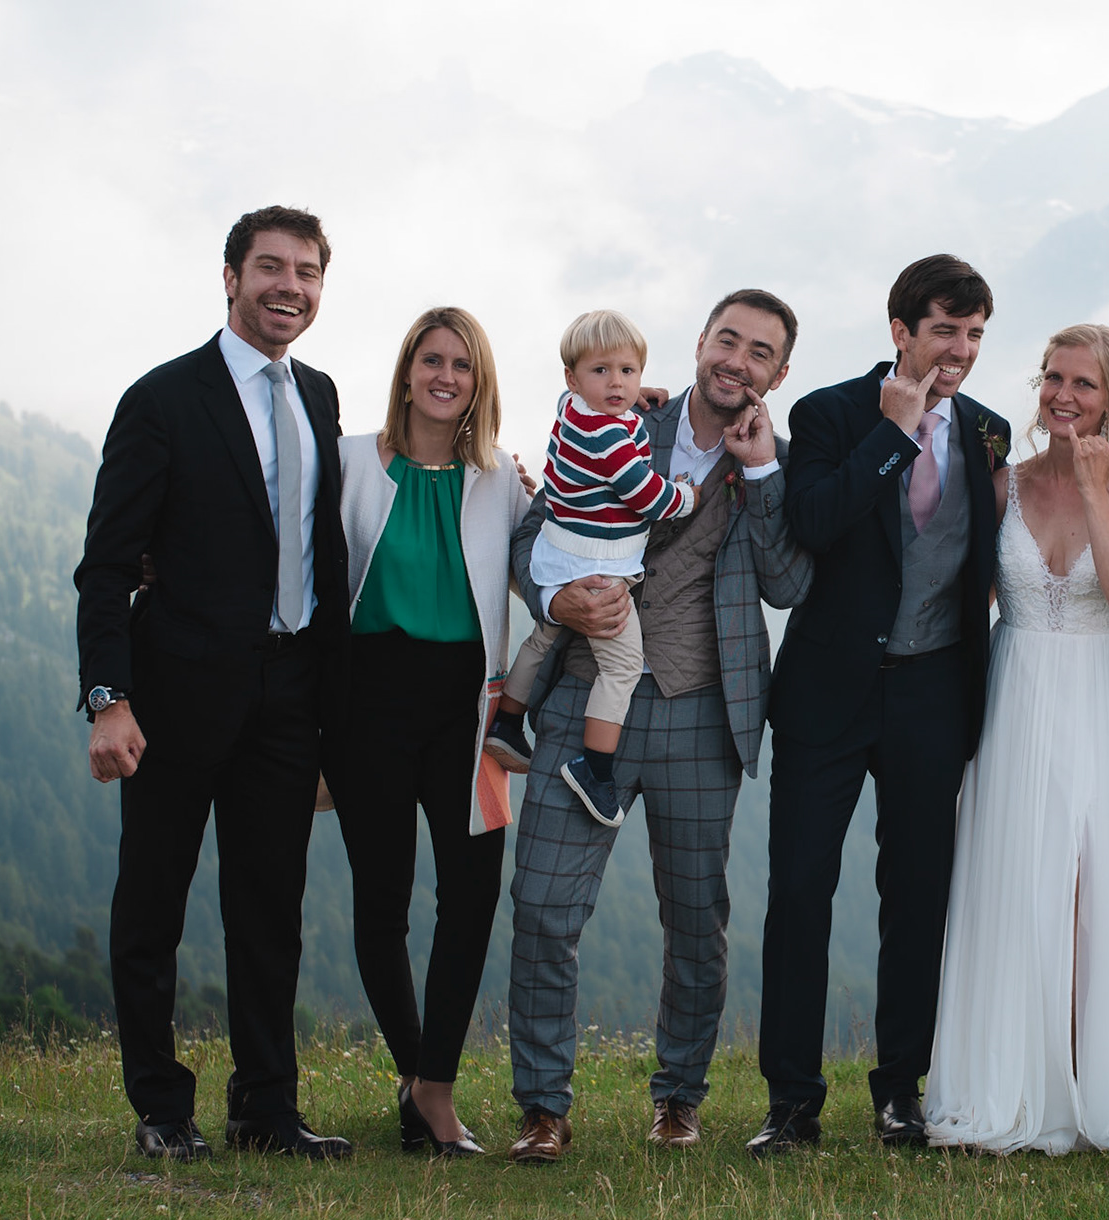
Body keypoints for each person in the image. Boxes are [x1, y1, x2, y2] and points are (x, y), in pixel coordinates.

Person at [505, 290, 811, 1162]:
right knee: (542, 904)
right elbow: (533, 536)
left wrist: (761, 473)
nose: (737, 360)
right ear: (702, 342)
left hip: (702, 713)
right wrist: (555, 597)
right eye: (727, 339)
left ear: (778, 373)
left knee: (695, 918)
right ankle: (543, 1107)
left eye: (759, 352)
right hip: (583, 696)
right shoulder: (620, 414)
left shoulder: (776, 463)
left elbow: (788, 584)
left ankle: (679, 1097)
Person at [74, 206, 352, 1160]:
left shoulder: (319, 394)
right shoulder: (162, 398)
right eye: (271, 267)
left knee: (270, 910)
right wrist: (109, 699)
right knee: (153, 905)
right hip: (174, 695)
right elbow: (106, 565)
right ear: (230, 277)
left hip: (290, 693)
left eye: (306, 272)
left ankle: (266, 1110)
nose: (289, 286)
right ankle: (162, 1109)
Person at [752, 254, 1009, 1157]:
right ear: (901, 330)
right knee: (799, 892)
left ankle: (901, 1090)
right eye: (944, 330)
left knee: (919, 894)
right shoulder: (828, 413)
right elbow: (814, 522)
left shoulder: (988, 430)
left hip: (934, 690)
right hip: (827, 691)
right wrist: (895, 432)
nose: (960, 349)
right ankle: (791, 1101)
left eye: (974, 334)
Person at [924, 324, 1109, 1155]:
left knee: (1091, 882)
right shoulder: (1001, 482)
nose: (1064, 396)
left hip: (1097, 698)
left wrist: (1090, 486)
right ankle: (1016, 1079)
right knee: (1015, 877)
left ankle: (1096, 1079)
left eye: (1084, 383)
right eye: (1053, 378)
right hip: (1013, 691)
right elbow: (970, 597)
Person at [328, 307, 529, 1158]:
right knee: (382, 901)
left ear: (479, 383)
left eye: (463, 365)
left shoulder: (502, 480)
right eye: (433, 360)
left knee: (473, 895)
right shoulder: (348, 461)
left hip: (470, 711)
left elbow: (572, 534)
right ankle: (416, 1074)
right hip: (367, 704)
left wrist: (632, 415)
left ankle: (435, 1086)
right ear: (408, 371)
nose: (446, 376)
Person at [490, 312, 698, 828]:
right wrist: (687, 497)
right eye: (601, 371)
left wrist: (626, 390)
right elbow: (647, 496)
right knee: (622, 666)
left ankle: (507, 723)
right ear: (574, 377)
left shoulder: (572, 407)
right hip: (599, 568)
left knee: (542, 638)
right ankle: (595, 766)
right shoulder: (607, 437)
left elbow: (601, 390)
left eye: (627, 371)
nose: (617, 383)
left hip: (559, 553)